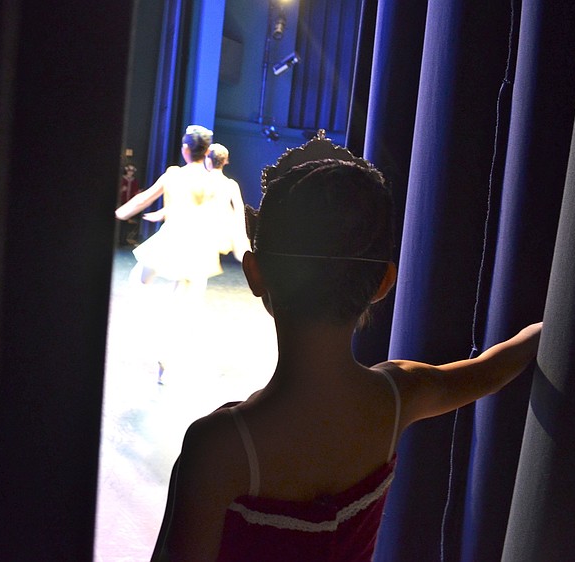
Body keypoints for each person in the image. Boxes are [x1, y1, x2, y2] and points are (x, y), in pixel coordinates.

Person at [151, 132, 542, 561]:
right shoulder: (399, 395)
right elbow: (494, 367)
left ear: (255, 274)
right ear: (382, 283)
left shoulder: (218, 447)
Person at [115, 125, 222, 380]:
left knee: (138, 280)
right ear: (206, 152)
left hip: (172, 241)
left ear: (185, 149)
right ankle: (165, 357)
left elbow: (144, 199)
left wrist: (117, 213)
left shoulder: (175, 174)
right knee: (182, 304)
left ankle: (154, 336)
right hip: (198, 247)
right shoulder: (212, 181)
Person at [205, 143, 251, 261]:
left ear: (208, 160)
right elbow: (239, 209)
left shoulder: (202, 180)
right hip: (224, 222)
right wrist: (241, 232)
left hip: (206, 222)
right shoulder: (231, 184)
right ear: (225, 161)